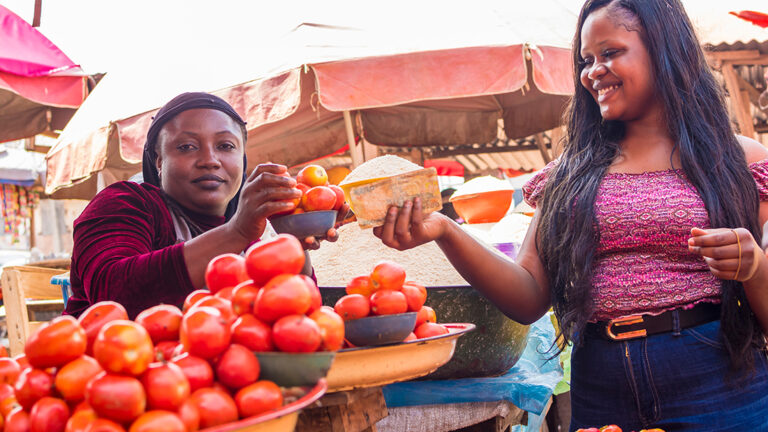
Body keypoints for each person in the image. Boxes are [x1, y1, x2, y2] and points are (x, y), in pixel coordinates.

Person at [373, 0, 768, 430]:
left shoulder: (740, 162)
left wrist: (754, 266)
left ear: (664, 48)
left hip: (716, 377)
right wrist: (446, 231)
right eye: (586, 59)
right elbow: (527, 299)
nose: (592, 71)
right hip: (602, 382)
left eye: (611, 52)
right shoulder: (567, 175)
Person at [64, 92, 341, 319]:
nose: (210, 159)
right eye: (186, 147)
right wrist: (237, 233)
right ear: (159, 162)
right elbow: (113, 295)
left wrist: (292, 244)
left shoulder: (261, 227)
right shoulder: (126, 202)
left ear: (243, 158)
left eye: (226, 146)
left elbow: (296, 318)